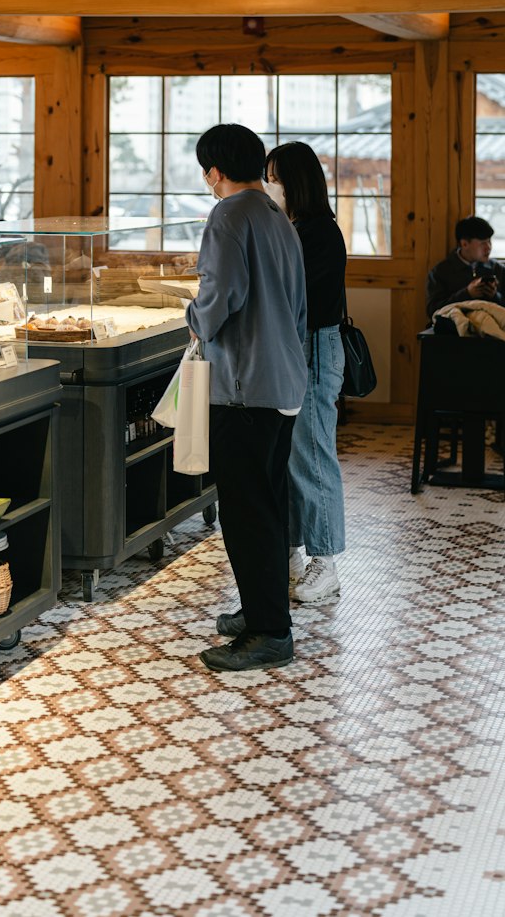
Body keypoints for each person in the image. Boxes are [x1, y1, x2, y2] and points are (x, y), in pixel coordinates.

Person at [187, 123, 307, 673]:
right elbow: (296, 304)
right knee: (269, 502)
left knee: (246, 511)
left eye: (206, 173)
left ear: (214, 171)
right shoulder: (278, 217)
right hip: (282, 380)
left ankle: (268, 632)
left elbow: (218, 300)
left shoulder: (228, 215)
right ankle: (264, 607)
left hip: (244, 389)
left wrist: (192, 316)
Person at [265, 142, 347, 606]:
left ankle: (326, 562)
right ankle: (295, 552)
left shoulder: (319, 233)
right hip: (295, 352)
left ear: (297, 182)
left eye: (276, 178)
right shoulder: (293, 228)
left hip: (314, 349)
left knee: (314, 457)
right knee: (291, 460)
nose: (269, 186)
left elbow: (305, 304)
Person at [426, 215, 505, 319]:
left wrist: (495, 296)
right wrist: (467, 293)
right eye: (482, 243)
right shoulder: (440, 272)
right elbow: (433, 311)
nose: (488, 248)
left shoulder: (498, 269)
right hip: (453, 332)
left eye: (489, 241)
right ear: (464, 244)